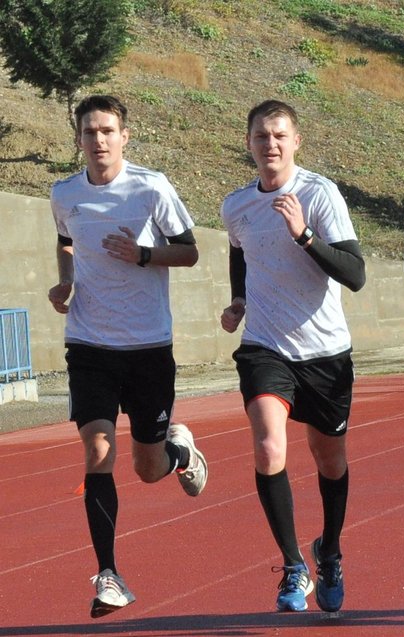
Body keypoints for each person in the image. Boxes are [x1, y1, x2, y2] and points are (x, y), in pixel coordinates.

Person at [47, 94, 208, 618]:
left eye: (108, 131)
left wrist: (143, 254)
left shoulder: (151, 187)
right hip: (89, 343)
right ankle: (109, 575)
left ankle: (178, 453)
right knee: (97, 451)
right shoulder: (65, 192)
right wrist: (66, 282)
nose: (99, 140)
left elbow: (188, 250)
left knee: (146, 467)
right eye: (90, 131)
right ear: (78, 138)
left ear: (124, 136)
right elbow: (66, 241)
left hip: (147, 347)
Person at [219, 100, 366, 612]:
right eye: (261, 136)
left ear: (296, 141)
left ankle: (329, 549)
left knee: (330, 460)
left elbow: (355, 273)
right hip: (265, 346)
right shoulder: (236, 206)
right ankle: (292, 564)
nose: (271, 145)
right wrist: (239, 299)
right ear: (249, 144)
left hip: (325, 352)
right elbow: (240, 250)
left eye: (280, 135)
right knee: (268, 448)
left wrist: (304, 235)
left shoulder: (320, 194)